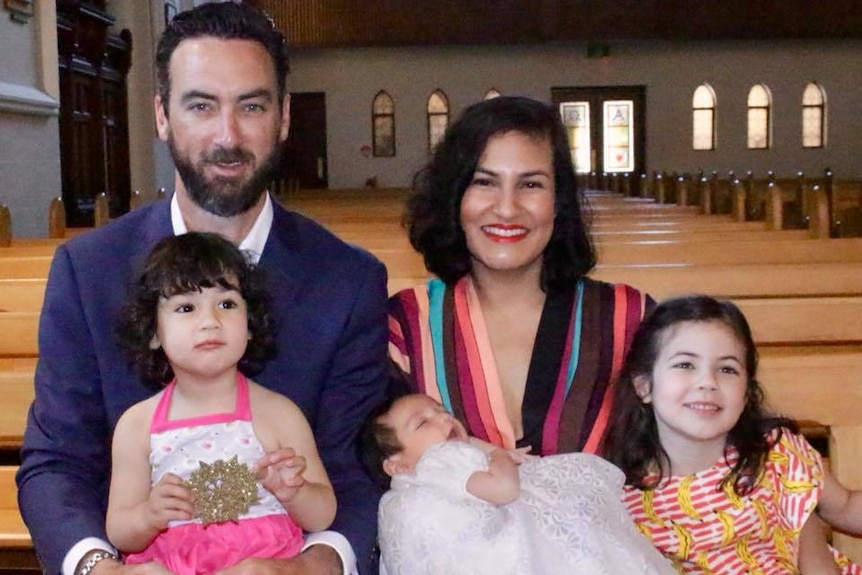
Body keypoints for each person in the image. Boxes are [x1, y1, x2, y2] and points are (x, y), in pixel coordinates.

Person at [17, 4, 388, 575]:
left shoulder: (348, 279)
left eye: (253, 106)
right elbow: (57, 463)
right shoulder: (88, 270)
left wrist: (313, 567)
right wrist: (99, 567)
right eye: (200, 105)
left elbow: (355, 465)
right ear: (162, 115)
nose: (227, 136)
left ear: (284, 116)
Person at [388, 95, 653, 456]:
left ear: (559, 202)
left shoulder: (628, 319)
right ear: (454, 196)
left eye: (531, 185)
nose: (507, 209)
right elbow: (375, 468)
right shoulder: (405, 327)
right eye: (484, 182)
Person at [106, 232, 336, 574]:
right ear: (153, 332)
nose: (210, 321)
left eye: (227, 304)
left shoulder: (278, 413)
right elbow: (120, 531)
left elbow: (324, 513)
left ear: (250, 326)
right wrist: (149, 515)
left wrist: (295, 492)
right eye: (186, 307)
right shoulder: (138, 424)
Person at [602, 294, 862, 574]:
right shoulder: (621, 497)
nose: (708, 382)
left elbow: (845, 506)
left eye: (727, 369)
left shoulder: (775, 453)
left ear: (747, 392)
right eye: (685, 365)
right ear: (644, 386)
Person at [359, 392, 676, 575]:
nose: (443, 419)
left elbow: (469, 446)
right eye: (423, 422)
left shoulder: (433, 469)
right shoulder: (437, 461)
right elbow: (503, 490)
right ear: (397, 464)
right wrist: (502, 458)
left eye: (442, 411)